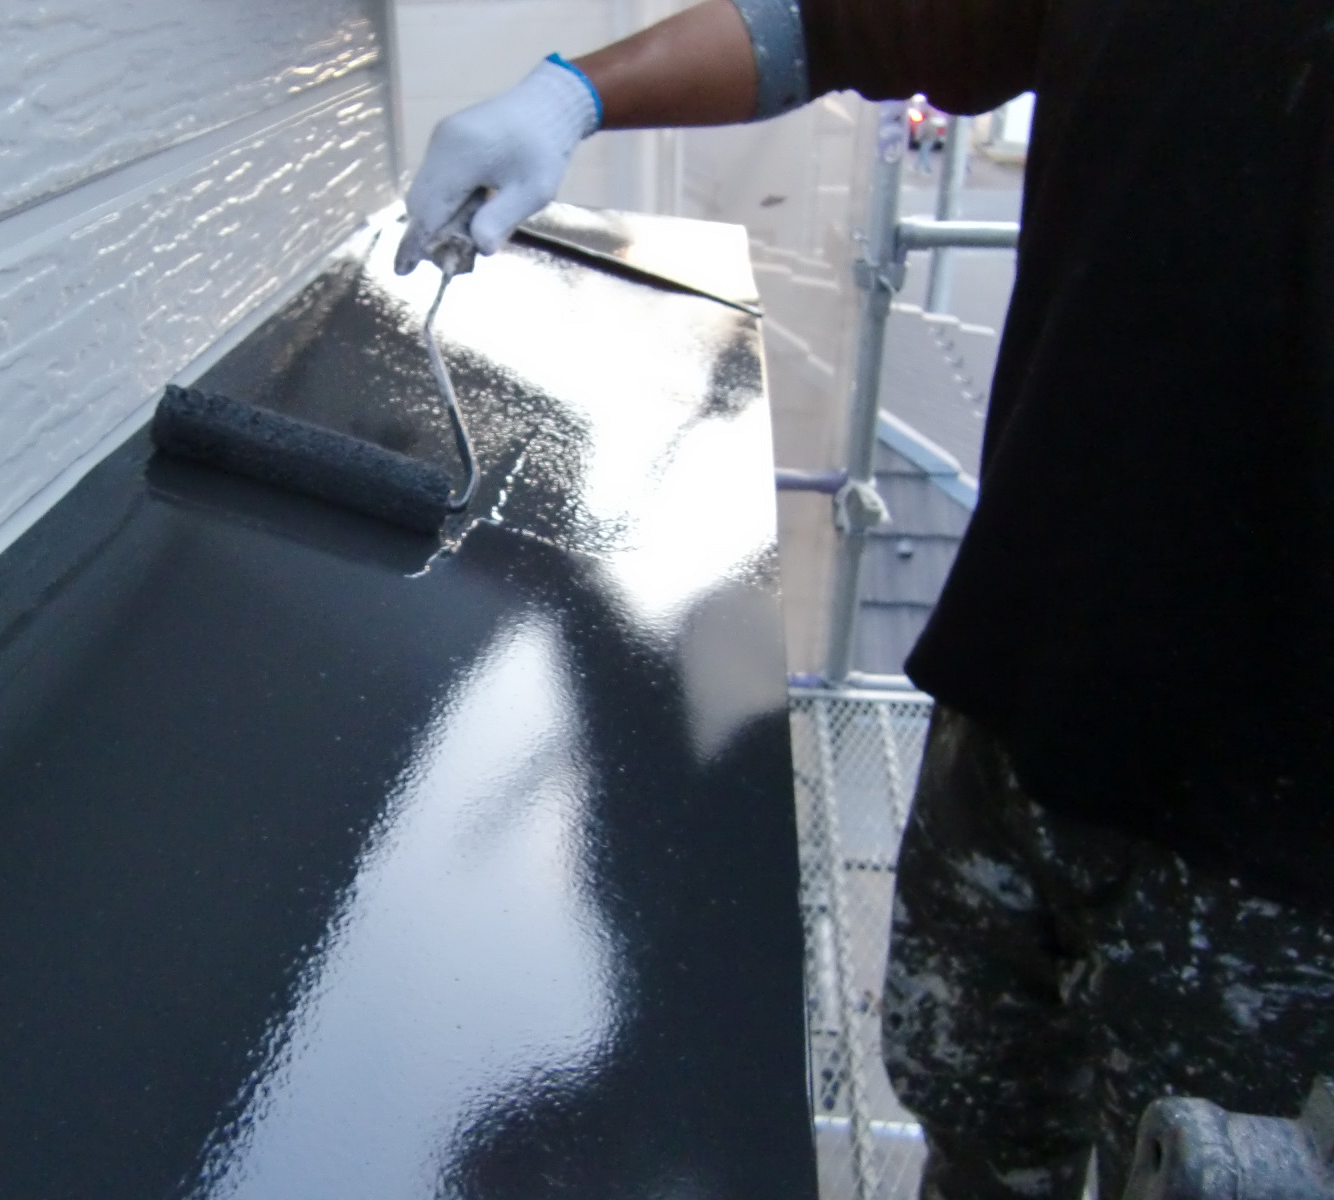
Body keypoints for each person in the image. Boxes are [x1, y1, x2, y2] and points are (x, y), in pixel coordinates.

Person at [395, 2, 1334, 1198]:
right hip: (1017, 702)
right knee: (974, 1134)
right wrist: (570, 94)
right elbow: (839, 22)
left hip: (1273, 861)